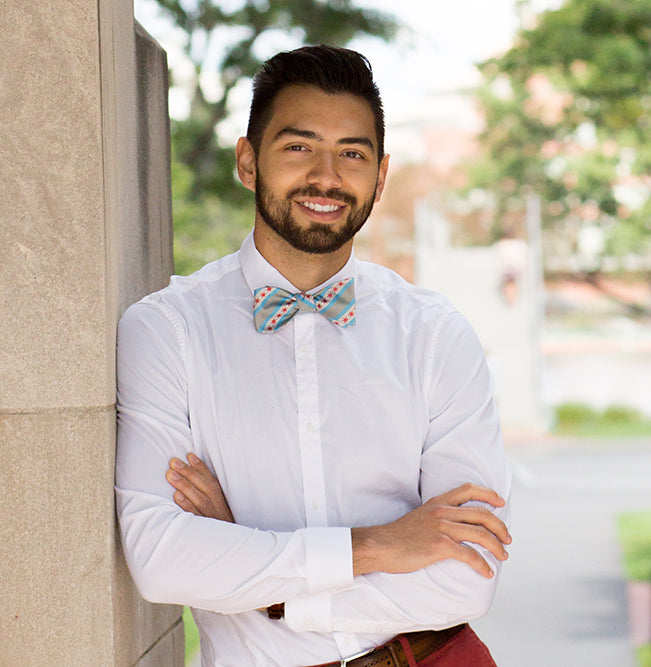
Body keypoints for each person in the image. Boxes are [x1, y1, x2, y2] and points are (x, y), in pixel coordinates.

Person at [115, 45, 512, 666]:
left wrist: (262, 583)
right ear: (248, 161)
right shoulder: (167, 331)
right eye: (298, 147)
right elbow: (162, 561)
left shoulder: (435, 336)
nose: (326, 176)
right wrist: (379, 547)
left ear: (380, 176)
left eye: (351, 153)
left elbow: (469, 573)